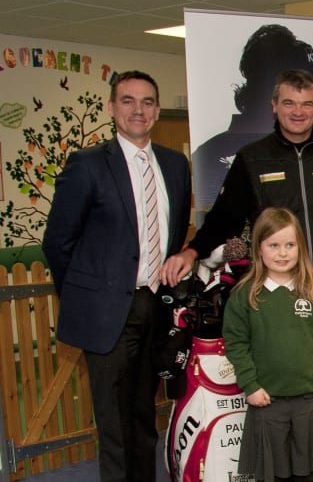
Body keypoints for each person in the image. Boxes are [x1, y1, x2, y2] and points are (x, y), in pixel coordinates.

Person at [43, 70, 192, 482]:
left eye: (146, 102)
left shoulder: (176, 165)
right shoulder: (88, 166)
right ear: (112, 108)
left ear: (158, 110)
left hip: (156, 305)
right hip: (107, 311)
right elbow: (58, 243)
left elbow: (174, 232)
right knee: (114, 423)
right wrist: (83, 298)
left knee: (144, 414)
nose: (137, 110)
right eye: (127, 100)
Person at [163, 68, 313, 283]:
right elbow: (224, 219)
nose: (298, 111)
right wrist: (192, 251)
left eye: (307, 104)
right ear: (274, 106)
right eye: (289, 103)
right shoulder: (252, 158)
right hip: (277, 283)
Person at [222, 207, 313, 482]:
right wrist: (250, 385)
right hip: (267, 400)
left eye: (290, 245)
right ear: (258, 249)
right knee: (272, 474)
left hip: (308, 400)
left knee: (308, 473)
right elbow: (236, 344)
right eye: (273, 245)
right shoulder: (244, 295)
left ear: (300, 247)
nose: (282, 253)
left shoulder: (312, 292)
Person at [192, 24, 313, 223]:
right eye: (294, 96)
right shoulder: (224, 157)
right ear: (272, 97)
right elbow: (220, 223)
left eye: (310, 99)